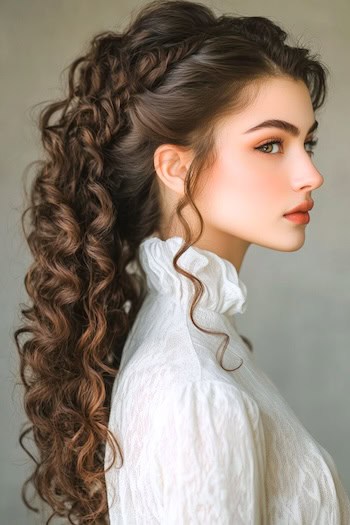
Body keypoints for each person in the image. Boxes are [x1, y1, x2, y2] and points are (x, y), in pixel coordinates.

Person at [14, 0, 350, 523]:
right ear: (175, 166)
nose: (311, 174)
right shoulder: (197, 393)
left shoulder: (196, 336)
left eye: (307, 143)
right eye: (270, 144)